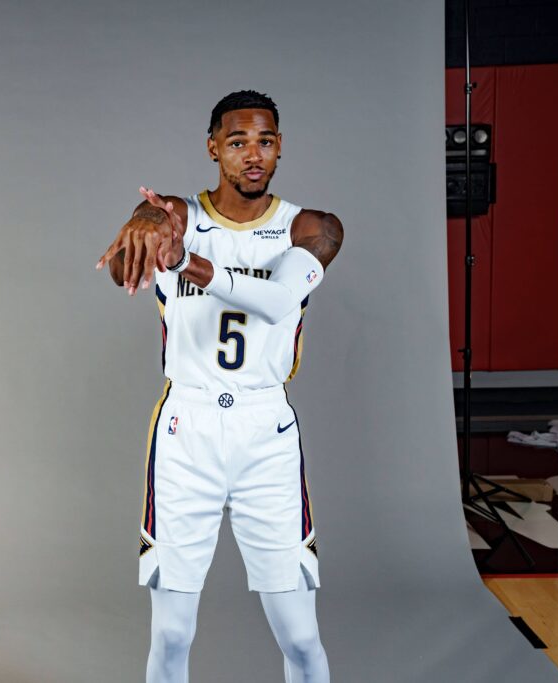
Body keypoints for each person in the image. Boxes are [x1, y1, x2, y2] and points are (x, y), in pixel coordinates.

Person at [95, 90, 343, 683]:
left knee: (302, 637)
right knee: (172, 633)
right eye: (237, 143)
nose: (252, 155)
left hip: (267, 433)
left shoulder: (310, 227)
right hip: (188, 428)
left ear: (280, 147)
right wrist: (146, 223)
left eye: (265, 141)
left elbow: (281, 299)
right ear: (214, 149)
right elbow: (142, 243)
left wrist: (188, 265)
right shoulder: (182, 217)